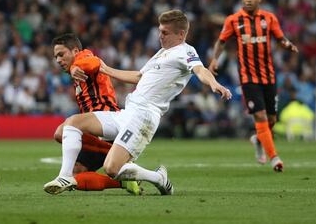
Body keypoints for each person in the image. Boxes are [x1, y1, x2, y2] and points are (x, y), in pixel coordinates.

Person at [43, 10, 232, 195]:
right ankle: (65, 176)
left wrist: (214, 83)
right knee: (72, 123)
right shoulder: (161, 53)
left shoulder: (186, 51)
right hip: (127, 112)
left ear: (181, 34)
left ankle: (158, 178)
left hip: (144, 116)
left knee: (111, 168)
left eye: (164, 33)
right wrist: (106, 69)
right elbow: (139, 76)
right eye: (159, 31)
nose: (160, 36)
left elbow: (200, 70)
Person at [208, 0, 299, 172]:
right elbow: (221, 41)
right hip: (248, 78)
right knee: (259, 115)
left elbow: (280, 38)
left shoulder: (269, 18)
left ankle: (258, 139)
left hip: (269, 77)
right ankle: (274, 158)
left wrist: (288, 45)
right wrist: (215, 59)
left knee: (272, 120)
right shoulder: (233, 20)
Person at [47, 33, 141, 195]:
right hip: (95, 130)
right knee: (77, 173)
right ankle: (123, 183)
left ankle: (65, 175)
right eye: (56, 57)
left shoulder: (83, 57)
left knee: (61, 131)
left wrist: (76, 67)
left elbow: (94, 62)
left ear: (75, 51)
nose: (58, 60)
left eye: (61, 54)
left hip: (107, 122)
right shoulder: (73, 72)